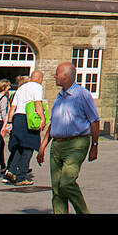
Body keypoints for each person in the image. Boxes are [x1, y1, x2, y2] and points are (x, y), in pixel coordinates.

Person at [36, 62, 99, 214]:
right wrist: (43, 146)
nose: (54, 76)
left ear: (65, 76)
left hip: (76, 144)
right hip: (57, 145)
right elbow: (54, 123)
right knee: (57, 189)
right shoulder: (59, 96)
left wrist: (95, 146)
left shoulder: (82, 95)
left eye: (57, 73)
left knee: (66, 183)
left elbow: (94, 120)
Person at [2, 70, 46, 185]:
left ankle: (11, 171)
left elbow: (13, 107)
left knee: (19, 147)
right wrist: (42, 118)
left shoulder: (21, 88)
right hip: (28, 119)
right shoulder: (37, 87)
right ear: (39, 78)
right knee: (28, 148)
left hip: (18, 118)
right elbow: (38, 104)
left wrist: (10, 122)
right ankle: (22, 177)